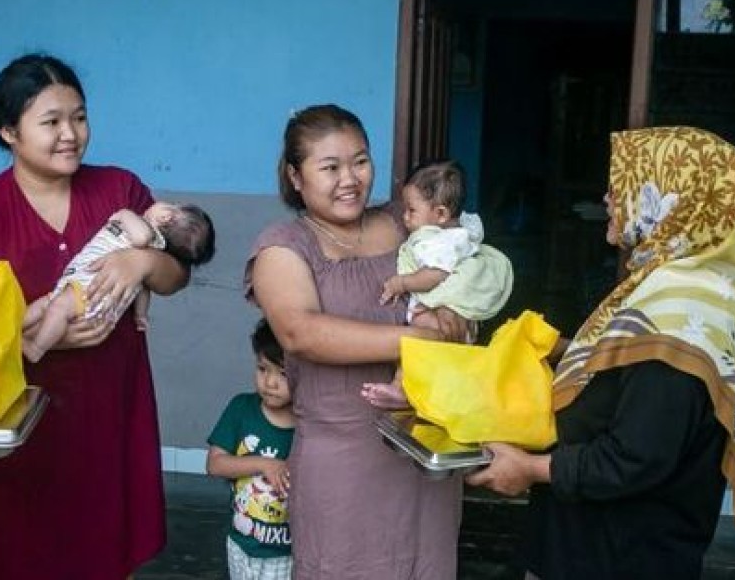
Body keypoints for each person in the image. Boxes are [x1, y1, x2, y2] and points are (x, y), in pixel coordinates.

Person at [467, 126, 735, 580]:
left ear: (675, 199)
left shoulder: (679, 315)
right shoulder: (677, 289)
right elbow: (628, 383)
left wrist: (531, 469)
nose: (610, 197)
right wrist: (559, 351)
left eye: (625, 185)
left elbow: (638, 455)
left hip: (616, 553)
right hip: (598, 542)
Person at [0, 54, 190, 579]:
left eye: (79, 117)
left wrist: (142, 261)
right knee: (14, 556)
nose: (70, 134)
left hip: (107, 413)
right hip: (18, 422)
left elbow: (176, 277)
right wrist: (43, 333)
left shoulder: (119, 191)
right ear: (9, 132)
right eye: (51, 122)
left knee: (101, 553)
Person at [246, 103, 467, 579]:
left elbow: (463, 275)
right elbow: (299, 332)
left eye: (360, 161)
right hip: (342, 460)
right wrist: (419, 338)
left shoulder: (407, 221)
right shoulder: (284, 244)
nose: (349, 178)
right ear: (295, 175)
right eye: (330, 167)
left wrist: (457, 320)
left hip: (423, 447)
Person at [362, 158, 514, 408]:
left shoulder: (437, 243)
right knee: (445, 358)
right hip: (461, 319)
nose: (406, 218)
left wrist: (401, 283)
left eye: (412, 211)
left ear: (441, 213)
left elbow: (435, 274)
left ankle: (402, 387)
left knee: (415, 342)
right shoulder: (456, 233)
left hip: (439, 313)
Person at [23, 201, 215, 362]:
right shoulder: (155, 248)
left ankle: (36, 349)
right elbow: (143, 289)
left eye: (172, 204)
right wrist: (141, 314)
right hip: (77, 287)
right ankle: (13, 333)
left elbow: (141, 238)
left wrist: (125, 214)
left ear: (167, 216)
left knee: (56, 309)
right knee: (45, 307)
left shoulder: (145, 231)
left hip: (88, 291)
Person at [206, 318, 296, 580]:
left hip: (286, 554)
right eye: (262, 369)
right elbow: (215, 464)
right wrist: (265, 464)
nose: (270, 382)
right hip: (240, 543)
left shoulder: (309, 427)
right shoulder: (241, 409)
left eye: (283, 373)